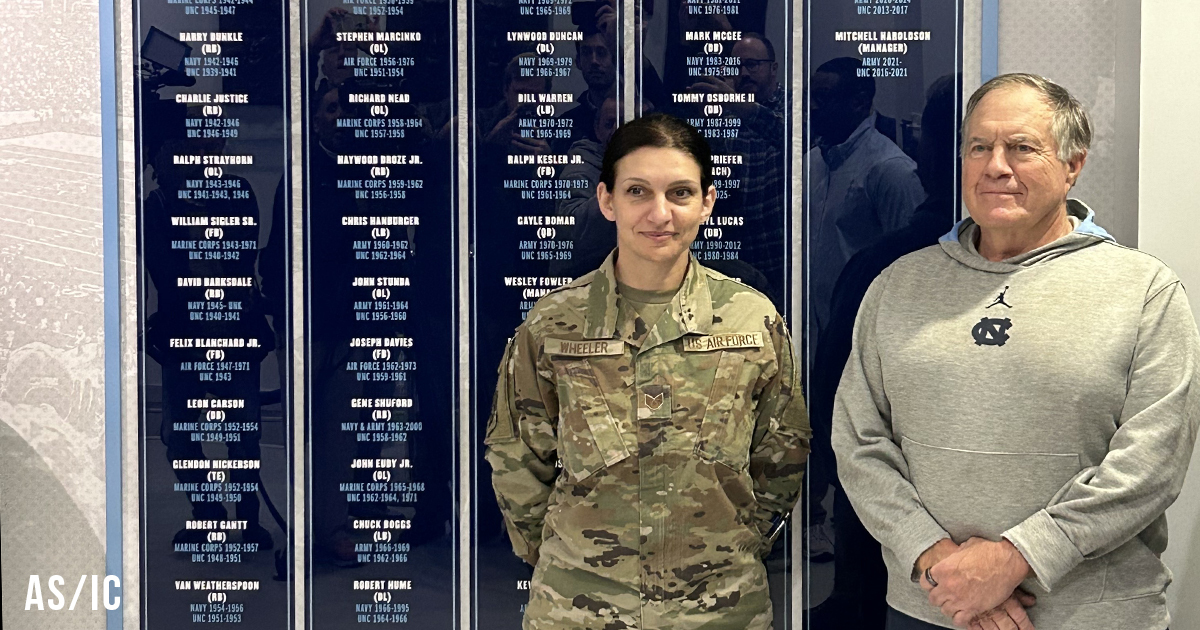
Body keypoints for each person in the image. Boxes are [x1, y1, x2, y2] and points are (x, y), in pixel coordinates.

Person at [832, 73, 1200, 630]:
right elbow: (859, 440)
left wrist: (1014, 560)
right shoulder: (898, 285)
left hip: (1094, 614)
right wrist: (937, 560)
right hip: (932, 605)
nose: (996, 166)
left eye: (1022, 148)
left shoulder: (1144, 290)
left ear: (1073, 164)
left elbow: (1152, 463)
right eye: (979, 147)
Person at [486, 113, 811, 629]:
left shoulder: (752, 320)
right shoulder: (554, 325)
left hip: (719, 606)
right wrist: (568, 553)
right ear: (606, 200)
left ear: (707, 202)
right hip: (579, 606)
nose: (660, 214)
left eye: (680, 193)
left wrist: (739, 539)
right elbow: (516, 456)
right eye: (637, 191)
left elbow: (784, 450)